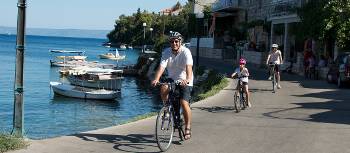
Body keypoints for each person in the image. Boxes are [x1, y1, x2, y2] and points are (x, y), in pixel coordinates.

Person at [151, 31, 193, 140]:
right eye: (172, 41)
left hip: (185, 80)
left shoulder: (186, 52)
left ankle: (188, 127)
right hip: (172, 79)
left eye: (176, 41)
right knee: (163, 87)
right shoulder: (166, 52)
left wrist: (187, 79)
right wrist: (156, 79)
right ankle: (166, 110)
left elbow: (189, 68)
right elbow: (161, 67)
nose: (174, 43)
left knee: (184, 103)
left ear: (180, 42)